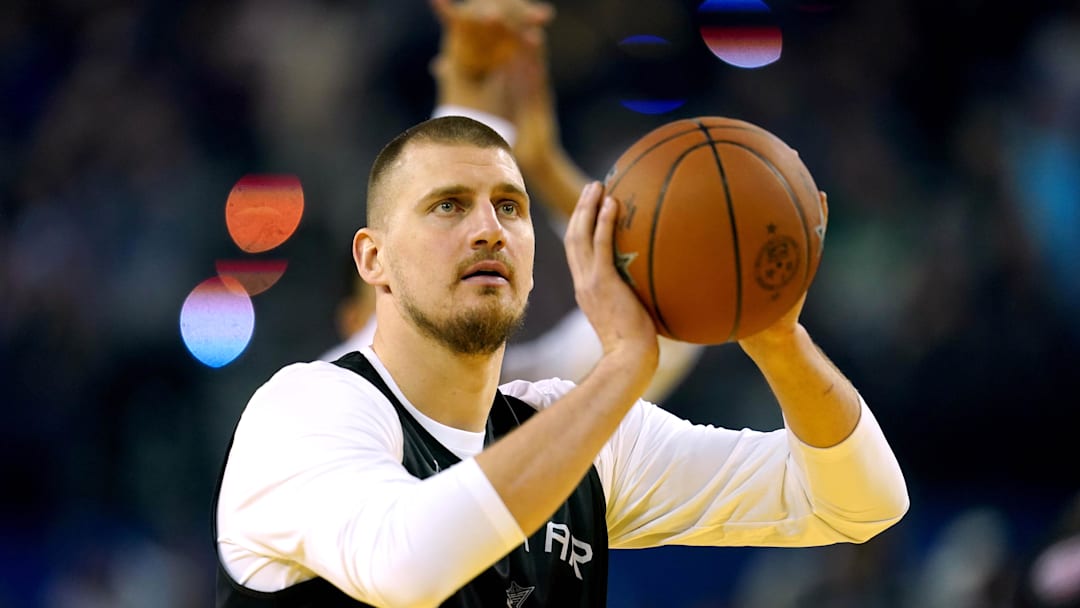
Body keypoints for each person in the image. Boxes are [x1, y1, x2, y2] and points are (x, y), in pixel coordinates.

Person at [214, 4, 908, 608]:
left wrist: (773, 332)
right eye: (448, 207)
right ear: (373, 263)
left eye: (512, 209)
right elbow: (408, 566)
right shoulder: (304, 410)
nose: (489, 228)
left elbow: (861, 502)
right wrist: (471, 106)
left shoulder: (574, 428)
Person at [318, 0, 704, 404]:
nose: (485, 236)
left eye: (506, 209)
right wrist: (468, 96)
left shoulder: (532, 398)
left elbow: (672, 300)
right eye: (448, 210)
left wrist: (545, 166)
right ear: (356, 317)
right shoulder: (323, 397)